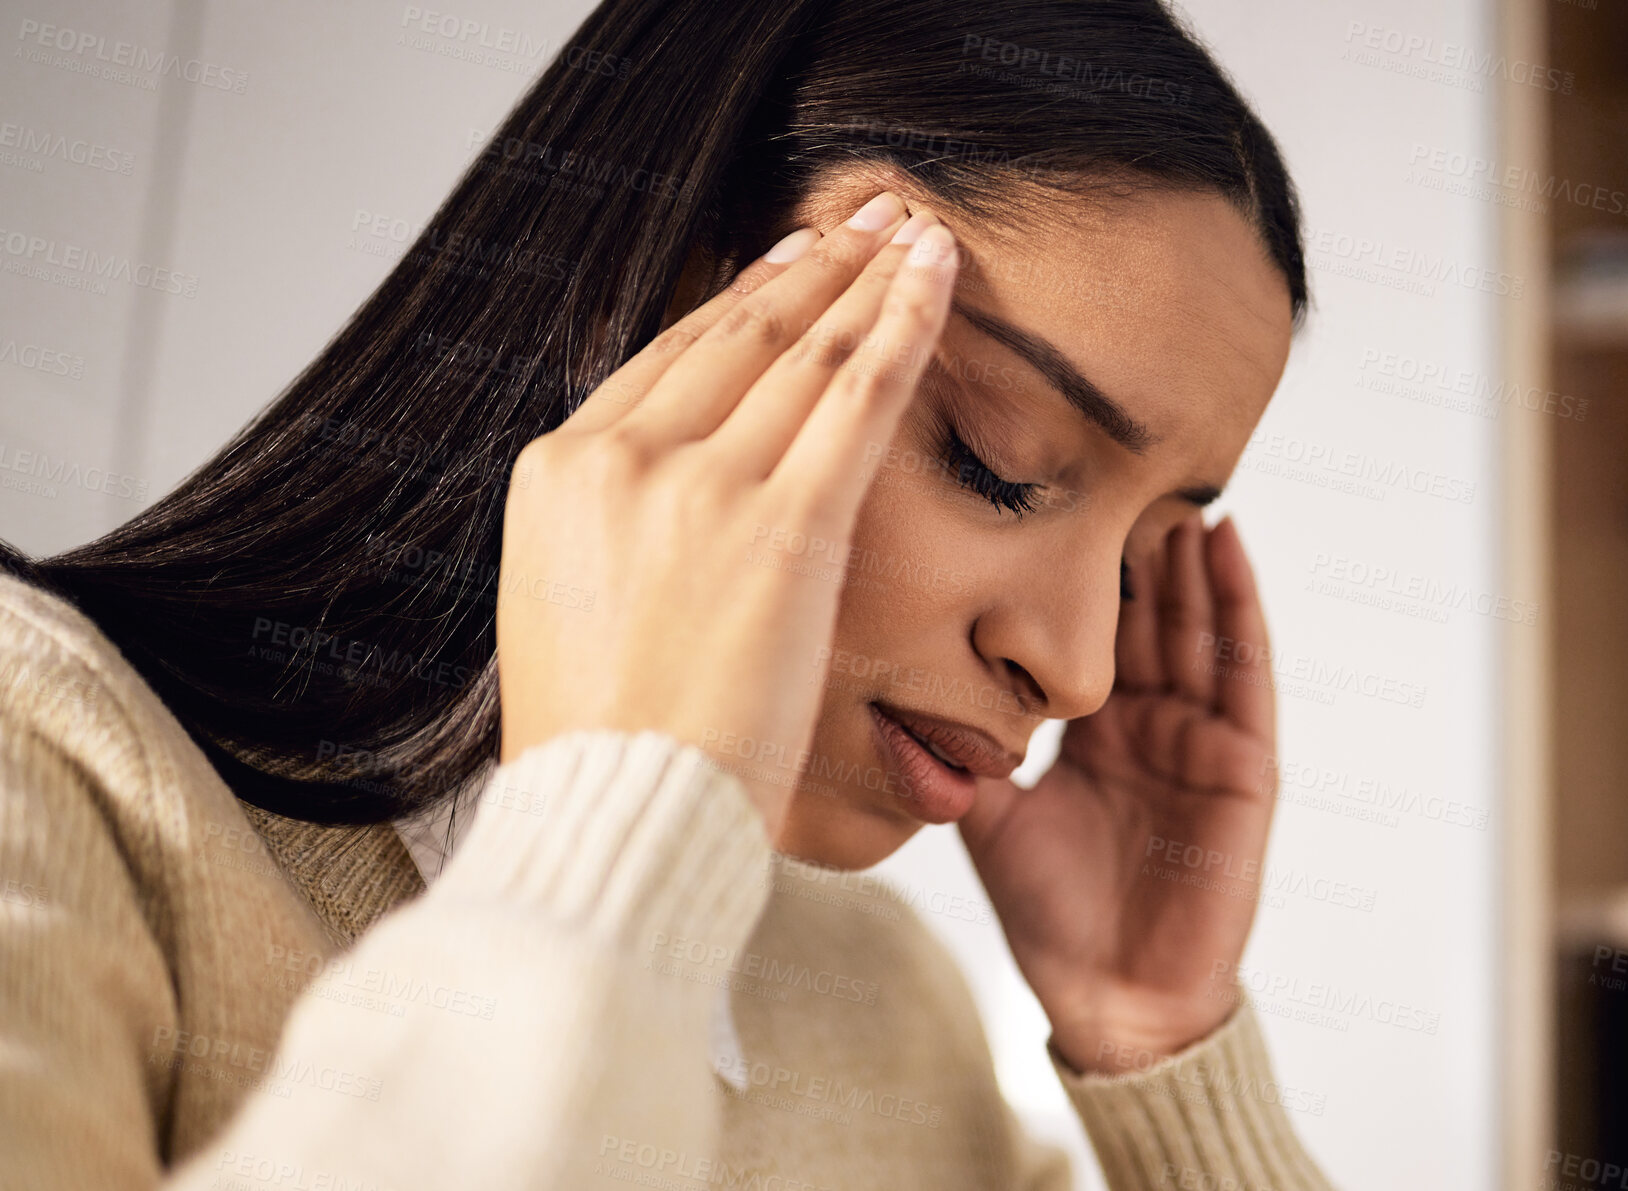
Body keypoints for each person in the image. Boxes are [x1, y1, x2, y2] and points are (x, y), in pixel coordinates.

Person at [0, 0, 1336, 1187]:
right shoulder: (47, 765)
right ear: (663, 302)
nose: (1084, 670)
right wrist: (609, 857)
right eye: (996, 460)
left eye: (1133, 562)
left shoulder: (887, 1010)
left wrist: (1156, 1039)